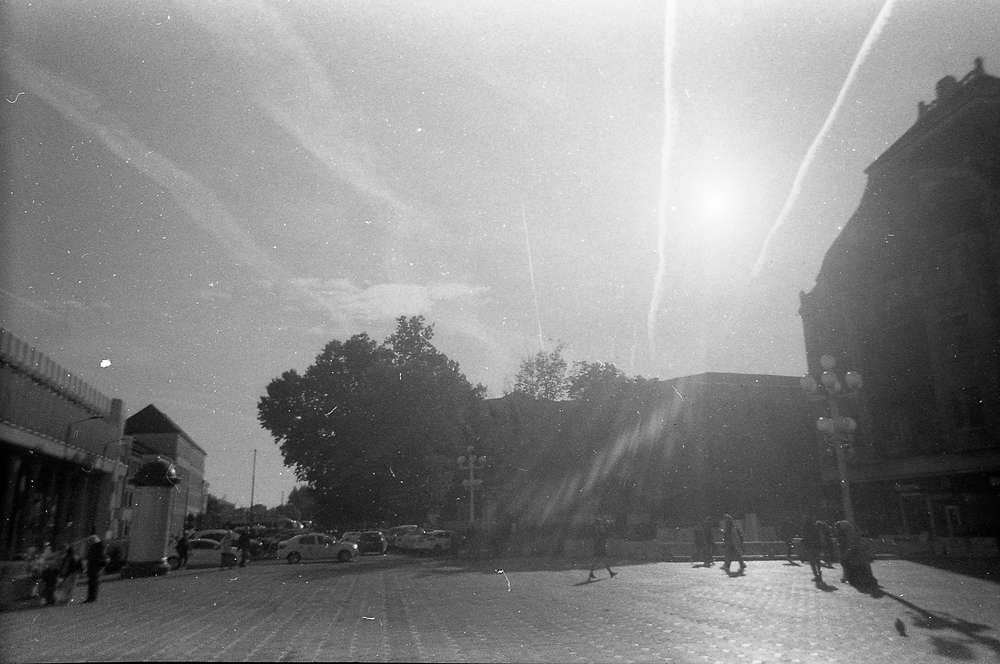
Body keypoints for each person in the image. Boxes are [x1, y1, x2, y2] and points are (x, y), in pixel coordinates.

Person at [835, 520, 878, 592]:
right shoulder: (850, 531)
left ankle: (863, 581)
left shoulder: (850, 533)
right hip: (857, 552)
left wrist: (847, 553)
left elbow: (852, 544)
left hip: (856, 553)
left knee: (859, 566)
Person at [800, 516, 823, 583]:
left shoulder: (805, 529)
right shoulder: (815, 528)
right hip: (816, 546)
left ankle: (816, 575)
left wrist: (804, 547)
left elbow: (804, 539)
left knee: (812, 562)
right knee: (818, 562)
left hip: (809, 547)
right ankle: (820, 575)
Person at [84, 534, 106, 603]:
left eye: (91, 541)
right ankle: (90, 598)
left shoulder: (100, 546)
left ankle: (92, 598)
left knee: (94, 583)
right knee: (92, 583)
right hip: (93, 566)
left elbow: (100, 556)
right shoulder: (96, 546)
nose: (90, 542)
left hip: (96, 567)